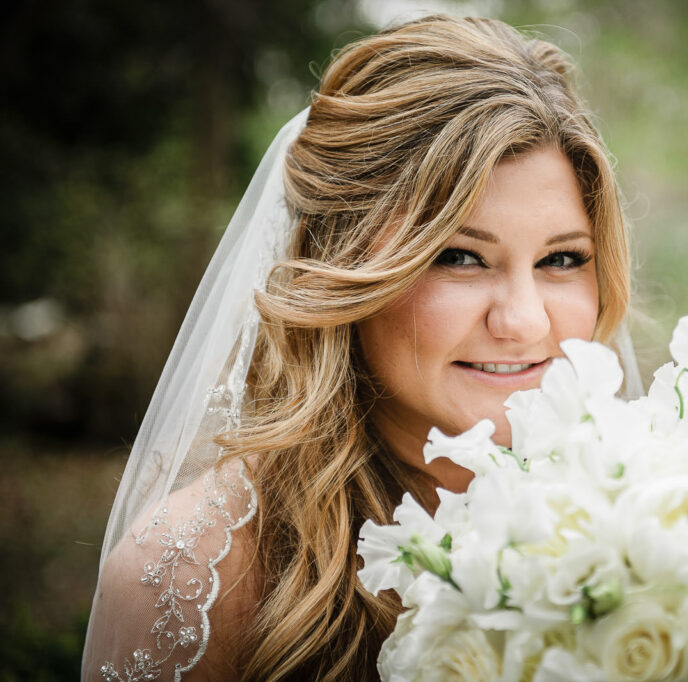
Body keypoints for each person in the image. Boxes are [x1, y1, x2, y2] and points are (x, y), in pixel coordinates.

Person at [82, 14, 640, 681]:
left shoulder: (663, 513)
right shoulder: (191, 578)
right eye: (459, 256)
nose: (522, 322)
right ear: (338, 264)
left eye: (562, 259)